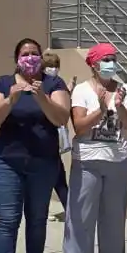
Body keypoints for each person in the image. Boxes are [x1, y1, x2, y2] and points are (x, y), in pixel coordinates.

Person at [0, 38, 71, 253]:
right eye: (25, 54)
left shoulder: (53, 84)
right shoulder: (3, 83)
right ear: (16, 58)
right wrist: (12, 98)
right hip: (9, 162)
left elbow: (61, 117)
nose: (31, 58)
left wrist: (41, 97)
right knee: (8, 222)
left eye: (35, 54)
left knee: (37, 220)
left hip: (43, 163)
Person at [64, 43, 127, 253]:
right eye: (106, 59)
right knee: (81, 220)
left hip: (117, 161)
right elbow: (80, 127)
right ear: (94, 64)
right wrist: (99, 107)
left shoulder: (124, 89)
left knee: (114, 219)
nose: (111, 63)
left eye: (114, 58)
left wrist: (118, 107)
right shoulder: (83, 91)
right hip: (87, 161)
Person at [41, 52, 71, 217]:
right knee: (57, 178)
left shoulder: (57, 83)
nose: (53, 69)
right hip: (44, 138)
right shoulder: (43, 83)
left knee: (58, 177)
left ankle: (68, 209)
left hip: (53, 137)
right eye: (49, 66)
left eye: (55, 65)